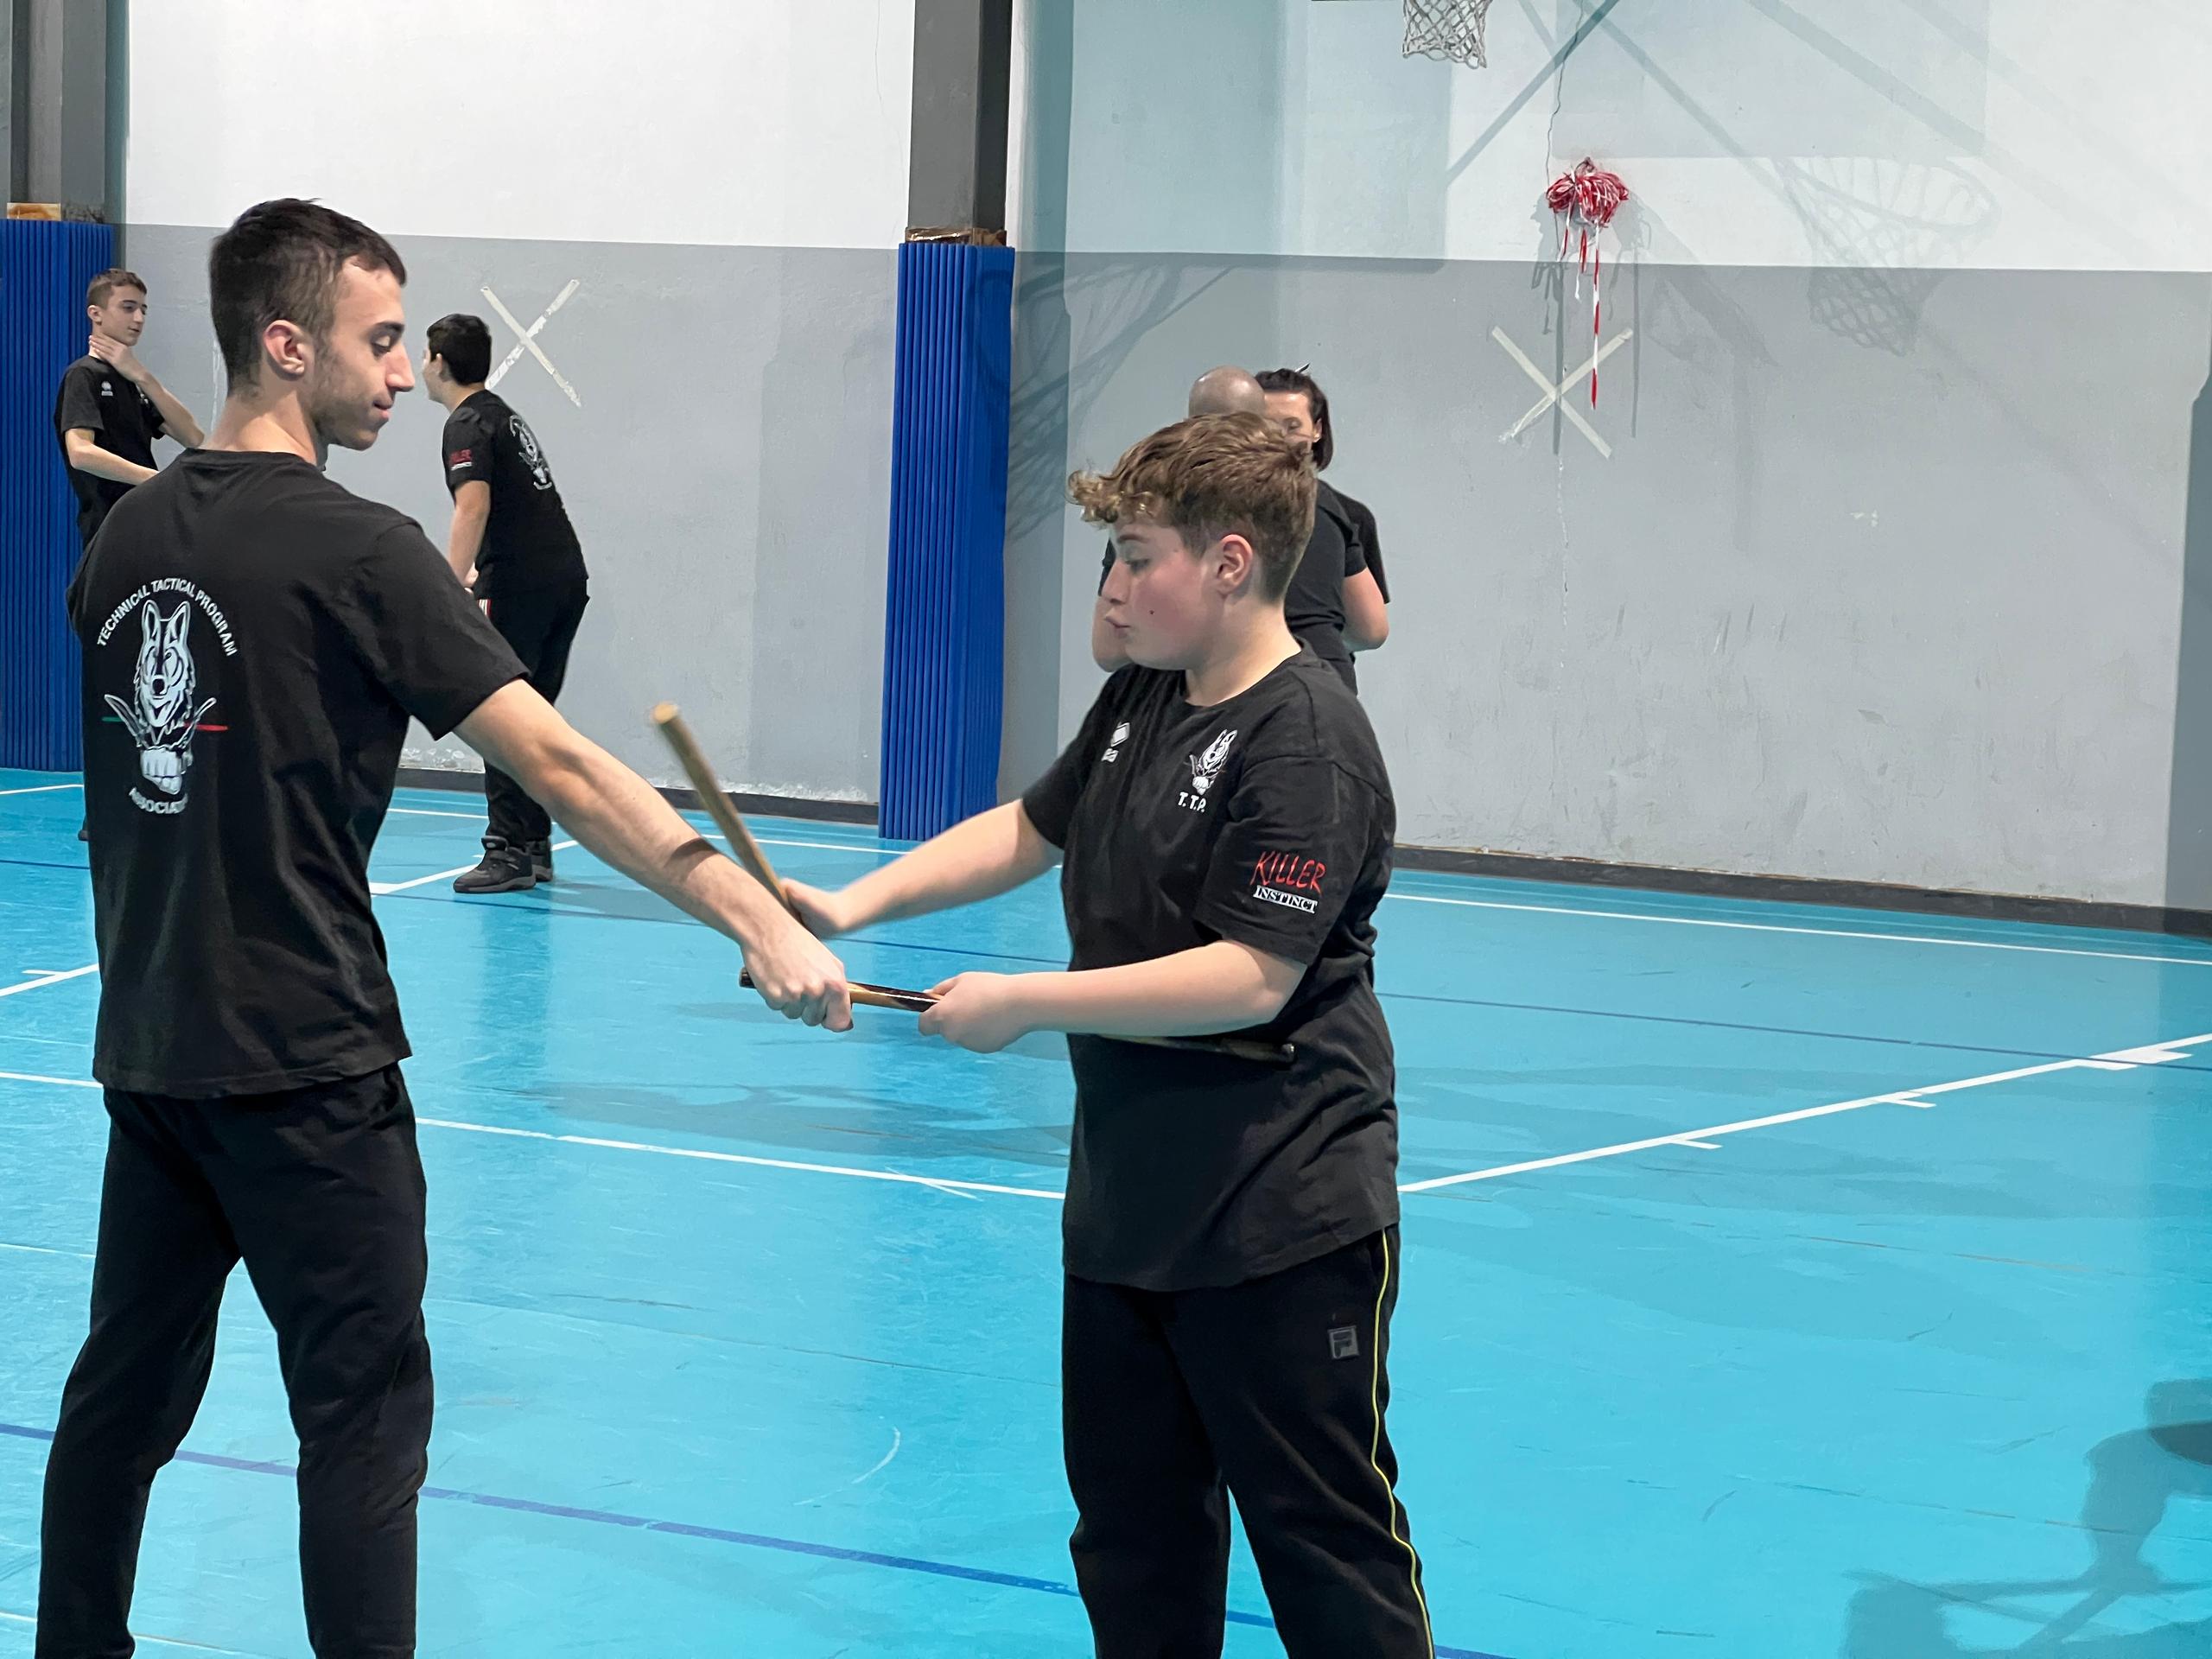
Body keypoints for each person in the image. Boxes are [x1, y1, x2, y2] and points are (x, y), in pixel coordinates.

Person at [40, 198, 852, 1659]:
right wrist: (746, 907)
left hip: (153, 1056)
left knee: (122, 1398)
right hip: (305, 1066)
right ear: (286, 345)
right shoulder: (365, 551)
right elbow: (561, 766)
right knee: (361, 1424)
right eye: (381, 339)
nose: (405, 373)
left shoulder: (124, 541)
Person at [789, 412, 1431, 1658]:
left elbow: (1254, 973)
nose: (1116, 589)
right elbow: (1035, 827)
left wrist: (1027, 1001)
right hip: (1130, 1213)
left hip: (1280, 1212)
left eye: (1138, 558)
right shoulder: (1144, 694)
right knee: (1132, 1541)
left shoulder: (1307, 737)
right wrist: (847, 903)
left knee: (1324, 1542)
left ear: (1231, 564)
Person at [422, 312, 591, 893]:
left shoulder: (466, 423)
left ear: (439, 363)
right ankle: (535, 844)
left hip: (522, 587)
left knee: (501, 717)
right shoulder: (503, 417)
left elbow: (474, 507)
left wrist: (448, 591)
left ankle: (507, 851)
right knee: (535, 715)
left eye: (424, 356)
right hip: (563, 581)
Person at [54, 269, 206, 842]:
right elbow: (82, 451)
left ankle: (149, 787)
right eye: (127, 308)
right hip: (108, 543)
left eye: (144, 308)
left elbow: (196, 436)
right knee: (113, 670)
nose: (138, 318)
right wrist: (155, 482)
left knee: (154, 666)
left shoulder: (130, 380)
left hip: (150, 543)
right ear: (97, 315)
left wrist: (142, 374)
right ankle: (105, 804)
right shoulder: (84, 377)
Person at [1259, 366, 1389, 688]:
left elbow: (1370, 630)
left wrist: (1309, 635)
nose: (1281, 440)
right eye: (1267, 428)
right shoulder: (1220, 510)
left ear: (1317, 430)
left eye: (1292, 426)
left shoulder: (1350, 516)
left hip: (1320, 689)